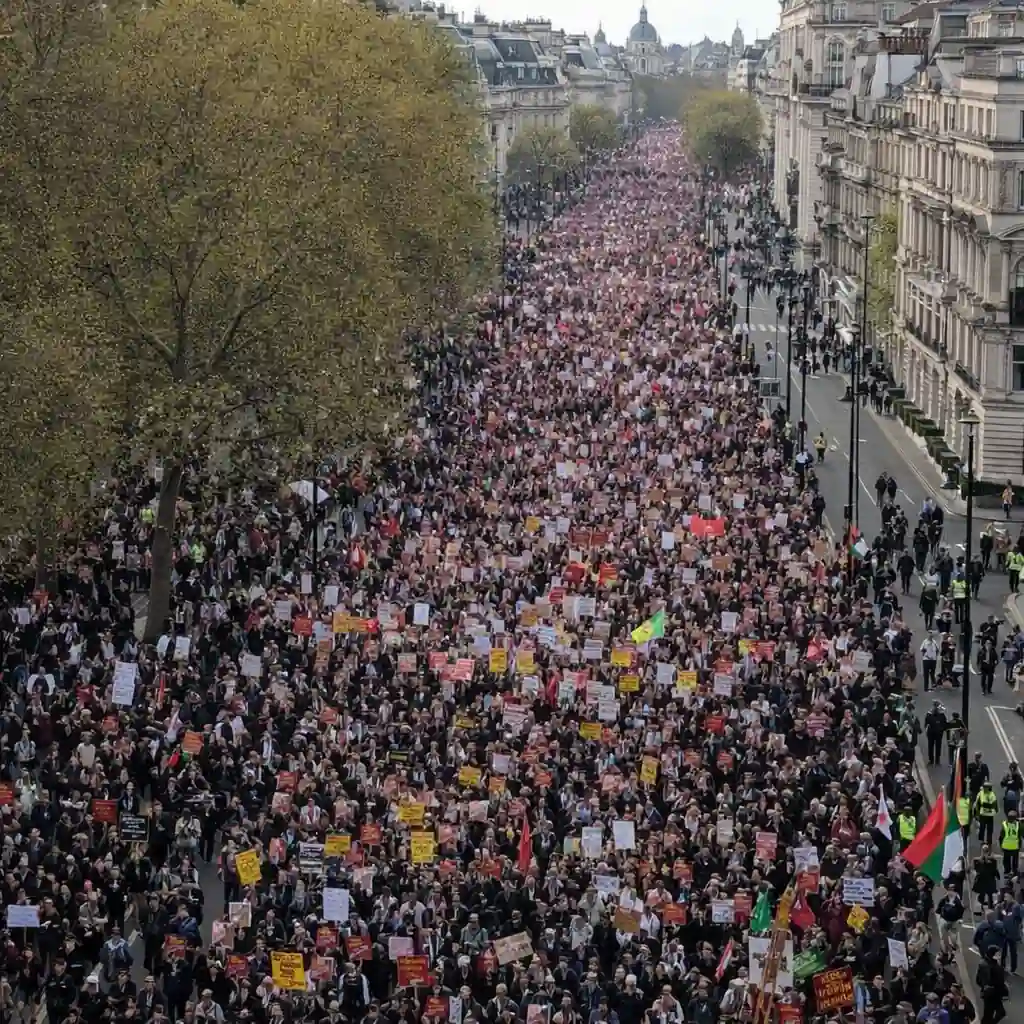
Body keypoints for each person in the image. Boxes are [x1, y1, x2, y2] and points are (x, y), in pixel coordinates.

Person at [975, 946, 1008, 1024]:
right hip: (992, 994)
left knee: (991, 1014)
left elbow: (978, 980)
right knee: (990, 1014)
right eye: (997, 954)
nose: (999, 956)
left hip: (991, 994)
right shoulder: (992, 967)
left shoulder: (987, 964)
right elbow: (998, 981)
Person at [999, 809, 1021, 876]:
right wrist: (1019, 845)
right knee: (1015, 860)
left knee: (1006, 860)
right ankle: (1015, 871)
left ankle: (1007, 871)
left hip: (1006, 847)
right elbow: (1020, 835)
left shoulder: (1004, 824)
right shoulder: (1018, 825)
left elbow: (1001, 836)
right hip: (1015, 847)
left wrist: (1001, 845)